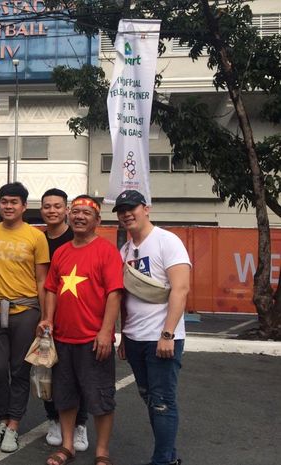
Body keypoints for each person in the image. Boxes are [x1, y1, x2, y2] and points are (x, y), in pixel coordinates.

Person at [39, 195, 123, 465]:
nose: (79, 216)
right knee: (65, 397)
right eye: (75, 212)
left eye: (86, 213)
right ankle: (67, 446)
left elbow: (114, 294)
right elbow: (51, 288)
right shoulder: (61, 252)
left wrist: (105, 332)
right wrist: (48, 319)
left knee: (101, 398)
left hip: (93, 340)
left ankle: (102, 452)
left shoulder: (106, 251)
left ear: (97, 220)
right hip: (62, 339)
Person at [114, 190, 191, 465]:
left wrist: (168, 334)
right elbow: (126, 298)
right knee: (150, 398)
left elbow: (180, 289)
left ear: (146, 208)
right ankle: (169, 456)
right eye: (121, 210)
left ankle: (163, 461)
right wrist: (123, 336)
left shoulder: (167, 241)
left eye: (131, 208)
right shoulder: (124, 250)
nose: (126, 214)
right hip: (134, 338)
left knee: (162, 401)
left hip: (161, 338)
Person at [0, 182, 49, 453]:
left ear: (24, 206)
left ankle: (14, 426)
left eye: (14, 202)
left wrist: (45, 316)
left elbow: (42, 279)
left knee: (20, 371)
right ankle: (2, 420)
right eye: (4, 201)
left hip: (26, 311)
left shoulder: (35, 236)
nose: (9, 206)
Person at [39, 188, 89, 452]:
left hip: (76, 319)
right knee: (47, 371)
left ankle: (80, 424)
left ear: (66, 209)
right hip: (44, 317)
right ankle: (53, 419)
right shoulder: (36, 239)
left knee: (80, 375)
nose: (52, 211)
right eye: (47, 206)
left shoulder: (77, 237)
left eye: (57, 206)